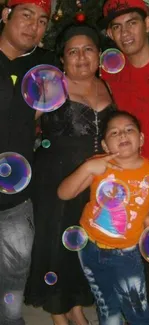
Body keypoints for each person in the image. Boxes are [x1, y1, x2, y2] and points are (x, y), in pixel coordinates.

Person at [24, 23, 117, 325]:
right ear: (62, 58)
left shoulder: (105, 85)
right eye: (72, 51)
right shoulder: (53, 84)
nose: (81, 57)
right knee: (53, 243)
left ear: (98, 55)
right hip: (54, 176)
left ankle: (75, 304)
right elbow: (21, 124)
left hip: (92, 180)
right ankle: (57, 312)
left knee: (80, 241)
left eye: (88, 49)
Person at [58, 110, 149, 325]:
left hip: (127, 255)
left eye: (129, 130)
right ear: (104, 146)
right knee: (106, 304)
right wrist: (87, 167)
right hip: (90, 248)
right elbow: (64, 193)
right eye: (114, 132)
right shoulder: (98, 164)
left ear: (141, 139)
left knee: (137, 309)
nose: (122, 134)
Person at [100, 0, 149, 309]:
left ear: (148, 24)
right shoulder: (110, 76)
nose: (125, 32)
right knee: (135, 265)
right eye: (117, 27)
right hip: (131, 180)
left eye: (132, 22)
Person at [0, 0, 51, 324]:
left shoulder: (42, 69)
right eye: (26, 15)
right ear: (5, 15)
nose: (34, 25)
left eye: (43, 20)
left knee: (14, 284)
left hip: (16, 199)